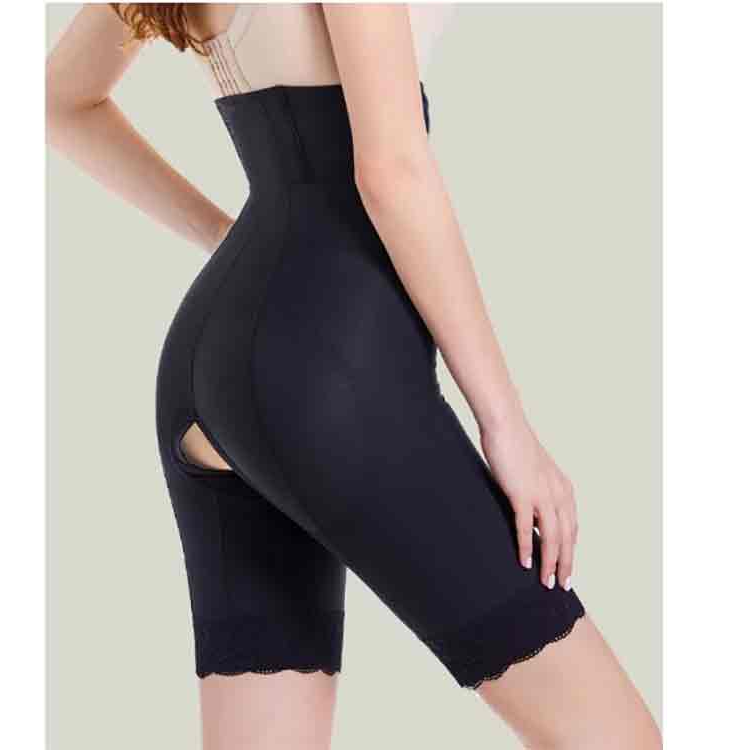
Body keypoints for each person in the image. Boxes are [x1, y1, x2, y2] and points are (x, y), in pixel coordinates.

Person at [46, 4, 662, 748]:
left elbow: (59, 101)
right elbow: (391, 173)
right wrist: (507, 426)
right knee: (612, 737)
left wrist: (234, 246)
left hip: (215, 363)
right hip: (327, 367)